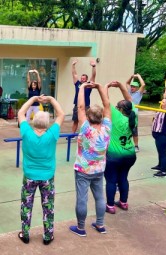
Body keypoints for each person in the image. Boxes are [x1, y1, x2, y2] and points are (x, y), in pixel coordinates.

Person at [17, 95, 65, 245]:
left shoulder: (26, 132)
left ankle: (25, 234)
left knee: (26, 205)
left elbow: (20, 113)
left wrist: (33, 100)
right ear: (47, 123)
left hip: (30, 176)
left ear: (33, 121)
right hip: (47, 177)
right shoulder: (52, 134)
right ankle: (48, 235)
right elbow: (61, 114)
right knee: (48, 206)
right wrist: (50, 99)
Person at [69, 82, 111, 237]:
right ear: (101, 117)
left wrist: (81, 88)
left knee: (82, 198)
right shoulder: (107, 127)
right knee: (100, 197)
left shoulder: (86, 128)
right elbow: (107, 106)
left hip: (83, 169)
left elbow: (80, 107)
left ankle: (81, 228)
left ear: (88, 116)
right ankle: (100, 224)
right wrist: (100, 88)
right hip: (99, 169)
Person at [104, 81, 137, 214]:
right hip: (130, 154)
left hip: (114, 156)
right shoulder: (133, 116)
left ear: (120, 109)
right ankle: (123, 202)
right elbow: (129, 99)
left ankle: (110, 205)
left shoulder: (117, 116)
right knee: (123, 178)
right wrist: (121, 86)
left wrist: (106, 86)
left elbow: (106, 102)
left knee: (111, 180)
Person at [71, 59, 97, 138]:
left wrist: (93, 66)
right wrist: (73, 65)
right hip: (77, 105)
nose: (82, 79)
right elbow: (74, 74)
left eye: (84, 78)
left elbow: (93, 76)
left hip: (86, 106)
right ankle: (72, 136)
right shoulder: (77, 84)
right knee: (75, 121)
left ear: (86, 79)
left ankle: (86, 135)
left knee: (87, 121)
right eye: (81, 78)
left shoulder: (89, 85)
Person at [126, 74, 146, 152]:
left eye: (133, 87)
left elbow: (143, 84)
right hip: (126, 113)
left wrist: (138, 76)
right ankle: (126, 143)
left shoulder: (139, 93)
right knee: (126, 129)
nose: (132, 88)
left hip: (134, 114)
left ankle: (136, 146)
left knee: (134, 130)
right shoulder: (129, 92)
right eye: (131, 86)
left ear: (137, 88)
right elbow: (127, 83)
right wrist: (131, 77)